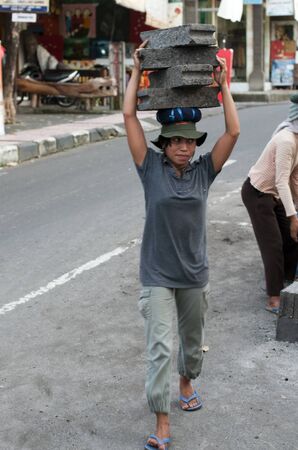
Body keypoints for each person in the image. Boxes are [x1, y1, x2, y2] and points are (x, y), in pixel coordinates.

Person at [123, 40, 240, 450]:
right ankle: (162, 422)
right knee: (158, 347)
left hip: (193, 272)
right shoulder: (149, 169)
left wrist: (222, 86)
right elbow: (128, 116)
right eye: (175, 140)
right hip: (156, 272)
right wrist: (137, 70)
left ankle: (187, 380)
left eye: (189, 141)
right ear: (164, 143)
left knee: (191, 343)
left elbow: (234, 131)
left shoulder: (204, 172)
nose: (184, 147)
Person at [241, 95, 298, 315]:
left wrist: (295, 211)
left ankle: (285, 281)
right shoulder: (286, 140)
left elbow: (294, 178)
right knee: (273, 245)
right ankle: (273, 298)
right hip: (257, 193)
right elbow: (280, 181)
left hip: (275, 194)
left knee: (292, 239)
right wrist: (293, 218)